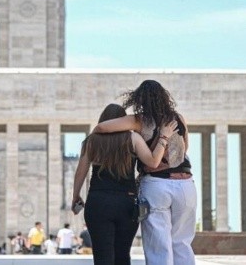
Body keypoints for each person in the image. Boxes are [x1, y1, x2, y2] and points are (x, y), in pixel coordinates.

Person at [92, 80, 197, 265]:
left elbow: (101, 128)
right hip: (186, 185)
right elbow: (184, 148)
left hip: (156, 183)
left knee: (158, 243)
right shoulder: (178, 118)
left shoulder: (139, 120)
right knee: (182, 242)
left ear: (139, 99)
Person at [72, 103, 177, 265]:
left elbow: (81, 172)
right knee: (122, 255)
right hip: (126, 203)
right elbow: (153, 161)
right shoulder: (133, 138)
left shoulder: (91, 141)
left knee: (102, 257)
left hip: (98, 201)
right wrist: (163, 137)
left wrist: (76, 195)